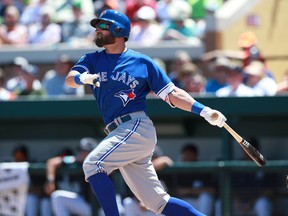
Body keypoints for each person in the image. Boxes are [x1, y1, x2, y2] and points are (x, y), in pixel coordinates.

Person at [65, 9, 227, 216]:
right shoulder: (92, 59)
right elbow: (70, 78)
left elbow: (172, 93)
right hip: (119, 133)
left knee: (93, 164)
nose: (97, 29)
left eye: (103, 25)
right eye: (97, 26)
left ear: (119, 29)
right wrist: (82, 79)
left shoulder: (142, 62)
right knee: (158, 203)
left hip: (135, 126)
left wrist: (203, 110)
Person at [215, 137, 274, 216]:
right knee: (220, 204)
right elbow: (230, 187)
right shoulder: (237, 165)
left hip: (256, 203)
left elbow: (269, 191)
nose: (247, 151)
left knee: (263, 204)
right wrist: (236, 199)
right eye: (245, 149)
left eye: (250, 149)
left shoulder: (265, 164)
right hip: (238, 203)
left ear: (257, 149)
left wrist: (252, 202)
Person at [44, 137, 98, 216]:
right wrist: (50, 180)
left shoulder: (101, 164)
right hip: (83, 204)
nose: (81, 153)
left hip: (99, 207)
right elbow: (52, 162)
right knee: (57, 197)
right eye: (80, 150)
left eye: (85, 151)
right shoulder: (75, 160)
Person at [123, 146, 173, 216]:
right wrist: (142, 201)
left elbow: (166, 160)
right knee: (128, 202)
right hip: (139, 205)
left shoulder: (162, 170)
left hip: (158, 205)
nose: (151, 160)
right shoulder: (135, 167)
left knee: (165, 206)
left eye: (153, 158)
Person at [176, 144, 216, 216]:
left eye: (189, 154)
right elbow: (179, 191)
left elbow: (212, 190)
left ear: (195, 155)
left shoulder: (203, 169)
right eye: (185, 154)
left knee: (205, 197)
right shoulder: (180, 170)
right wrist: (195, 191)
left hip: (200, 202)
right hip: (187, 200)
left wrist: (190, 190)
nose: (187, 156)